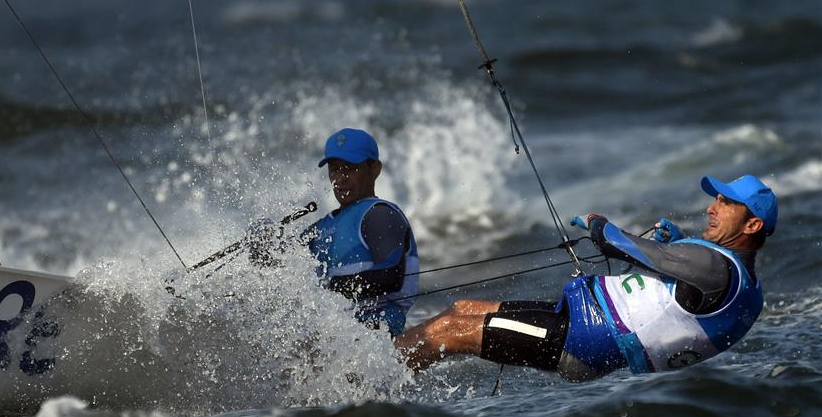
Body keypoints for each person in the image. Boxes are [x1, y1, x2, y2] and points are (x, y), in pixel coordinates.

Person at [396, 174, 777, 380]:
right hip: (582, 324)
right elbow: (688, 303)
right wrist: (680, 247)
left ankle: (363, 380)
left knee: (449, 330)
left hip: (580, 338)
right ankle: (381, 362)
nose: (713, 207)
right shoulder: (744, 285)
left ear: (753, 223)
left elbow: (624, 246)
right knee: (463, 308)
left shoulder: (713, 269)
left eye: (727, 204)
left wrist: (601, 227)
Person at [305, 128, 419, 335]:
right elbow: (284, 262)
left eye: (350, 168)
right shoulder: (323, 225)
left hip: (377, 326)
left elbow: (390, 277)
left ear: (375, 169)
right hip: (338, 329)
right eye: (335, 169)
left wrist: (330, 287)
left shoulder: (379, 215)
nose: (341, 178)